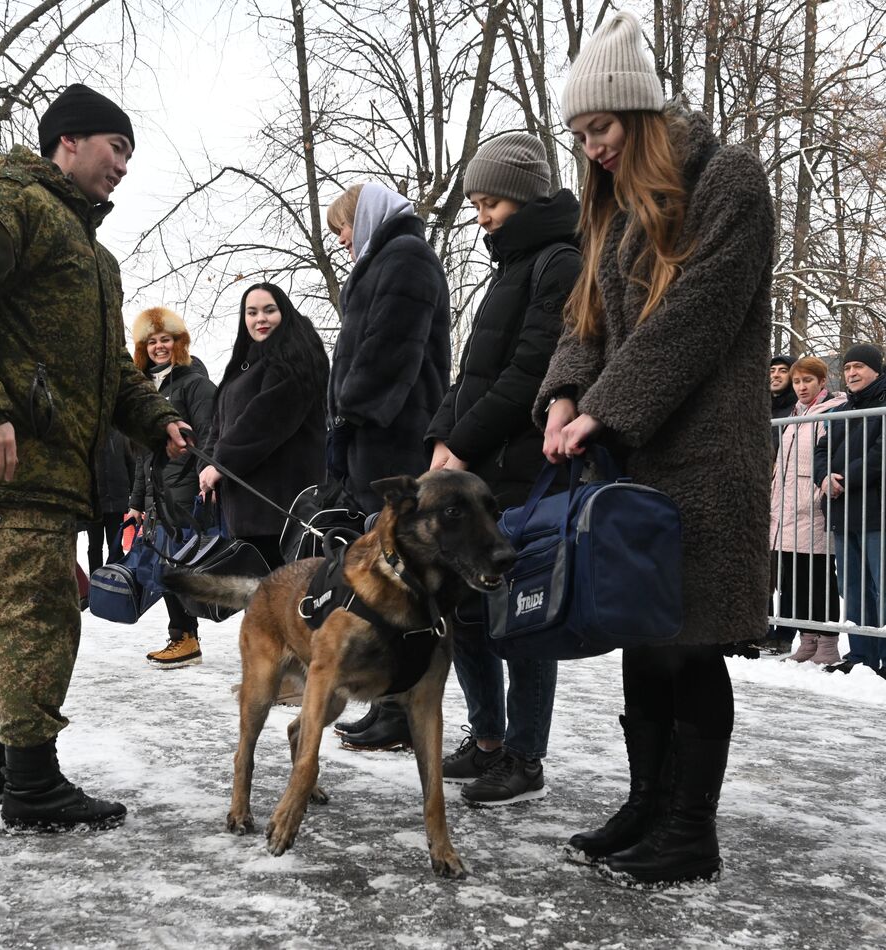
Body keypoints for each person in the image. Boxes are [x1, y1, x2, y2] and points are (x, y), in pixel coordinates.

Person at [0, 82, 190, 833]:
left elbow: (106, 368)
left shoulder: (90, 251)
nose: (124, 166)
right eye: (117, 147)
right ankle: (32, 785)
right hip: (17, 451)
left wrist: (156, 418)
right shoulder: (12, 203)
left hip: (46, 460)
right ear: (70, 140)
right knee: (36, 609)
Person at [537, 11, 775, 887]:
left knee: (691, 639)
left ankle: (690, 830)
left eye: (598, 128)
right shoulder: (609, 207)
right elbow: (584, 320)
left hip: (709, 458)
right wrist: (564, 392)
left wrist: (602, 410)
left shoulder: (729, 180)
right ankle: (646, 805)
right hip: (635, 458)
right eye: (578, 133)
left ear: (636, 114)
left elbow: (696, 318)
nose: (590, 147)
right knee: (646, 637)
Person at [420, 132, 581, 806]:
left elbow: (528, 375)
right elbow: (473, 372)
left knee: (522, 616)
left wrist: (462, 443)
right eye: (478, 203)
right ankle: (487, 737)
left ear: (522, 196)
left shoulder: (560, 262)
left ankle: (525, 755)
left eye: (489, 202)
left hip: (522, 469)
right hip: (478, 471)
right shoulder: (507, 268)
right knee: (471, 616)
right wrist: (440, 439)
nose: (480, 215)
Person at [321, 181, 451, 751]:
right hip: (375, 433)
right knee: (380, 572)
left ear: (363, 216)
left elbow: (387, 348)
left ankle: (402, 706)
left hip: (395, 432)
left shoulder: (406, 258)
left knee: (399, 575)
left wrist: (350, 411)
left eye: (342, 228)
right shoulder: (383, 261)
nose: (342, 242)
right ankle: (388, 701)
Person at [198, 283, 328, 569]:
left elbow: (265, 419)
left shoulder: (297, 357)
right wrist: (207, 463)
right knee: (261, 608)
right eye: (252, 312)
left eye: (270, 310)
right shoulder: (244, 365)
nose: (260, 319)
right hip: (246, 512)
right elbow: (218, 423)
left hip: (281, 512)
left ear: (284, 312)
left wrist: (221, 463)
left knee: (285, 606)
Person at [126, 306, 216, 669]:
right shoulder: (146, 389)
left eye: (166, 340)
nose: (159, 347)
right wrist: (136, 502)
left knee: (182, 567)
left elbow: (210, 434)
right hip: (155, 494)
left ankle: (186, 637)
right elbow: (145, 454)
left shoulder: (194, 384)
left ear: (178, 343)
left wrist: (207, 471)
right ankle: (182, 636)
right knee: (165, 567)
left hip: (184, 491)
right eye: (152, 342)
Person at [812, 343, 886, 678]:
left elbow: (881, 453)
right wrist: (824, 477)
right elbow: (821, 450)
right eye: (847, 368)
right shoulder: (841, 408)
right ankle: (861, 655)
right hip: (844, 511)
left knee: (881, 586)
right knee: (854, 588)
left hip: (877, 511)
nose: (852, 373)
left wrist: (845, 478)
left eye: (858, 366)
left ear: (875, 369)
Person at [773, 357, 845, 664]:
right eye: (798, 382)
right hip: (787, 509)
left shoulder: (831, 411)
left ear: (821, 383)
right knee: (796, 578)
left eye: (807, 381)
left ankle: (827, 642)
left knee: (820, 578)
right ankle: (807, 638)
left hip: (813, 509)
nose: (801, 387)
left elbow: (828, 457)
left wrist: (815, 494)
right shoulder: (795, 414)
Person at [87, 428, 133, 574]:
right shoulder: (88, 434)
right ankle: (95, 582)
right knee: (94, 546)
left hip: (116, 501)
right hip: (94, 502)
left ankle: (115, 583)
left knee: (115, 546)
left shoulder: (120, 434)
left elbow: (130, 464)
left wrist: (134, 496)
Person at [770, 355, 796, 421]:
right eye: (772, 371)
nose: (775, 375)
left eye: (783, 371)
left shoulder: (801, 407)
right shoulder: (757, 408)